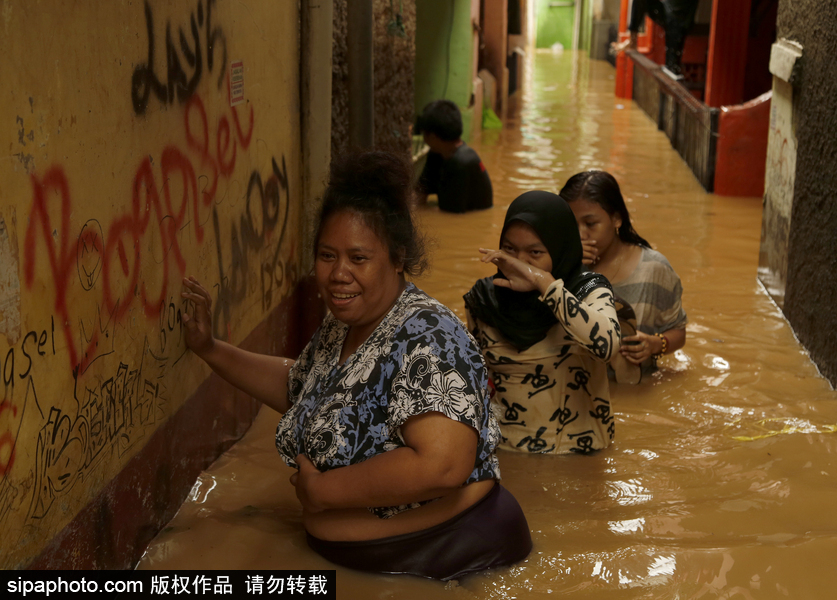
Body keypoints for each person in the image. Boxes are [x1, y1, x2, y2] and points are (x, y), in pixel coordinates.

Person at [181, 151, 531, 580]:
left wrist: (323, 491)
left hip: (449, 560)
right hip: (373, 567)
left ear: (397, 258)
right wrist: (211, 348)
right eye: (327, 256)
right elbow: (301, 387)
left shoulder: (431, 337)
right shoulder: (343, 326)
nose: (338, 274)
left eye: (358, 259)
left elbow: (442, 464)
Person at [463, 191, 620, 455]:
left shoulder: (589, 291)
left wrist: (545, 284)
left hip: (579, 456)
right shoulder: (484, 299)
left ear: (560, 250)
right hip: (505, 453)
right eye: (509, 249)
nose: (519, 262)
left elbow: (608, 346)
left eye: (535, 252)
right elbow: (478, 378)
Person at [559, 170, 687, 381]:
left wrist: (656, 344)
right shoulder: (560, 268)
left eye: (590, 224)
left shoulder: (654, 269)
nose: (580, 234)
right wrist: (572, 269)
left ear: (617, 219)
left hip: (636, 388)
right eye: (572, 224)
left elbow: (678, 333)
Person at [415, 99, 493, 213]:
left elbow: (451, 217)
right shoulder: (437, 153)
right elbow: (420, 195)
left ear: (432, 137)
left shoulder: (461, 163)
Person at [612, 0, 701, 78]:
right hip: (667, 12)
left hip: (680, 21)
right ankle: (633, 41)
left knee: (671, 70)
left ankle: (673, 70)